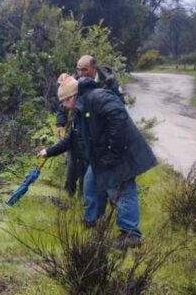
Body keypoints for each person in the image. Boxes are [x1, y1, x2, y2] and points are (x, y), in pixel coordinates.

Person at [40, 74, 157, 249]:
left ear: (72, 96)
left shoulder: (98, 97)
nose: (63, 106)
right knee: (90, 185)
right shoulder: (80, 109)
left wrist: (112, 149)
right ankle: (92, 222)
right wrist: (48, 151)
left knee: (122, 192)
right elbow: (72, 138)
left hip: (120, 155)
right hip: (101, 158)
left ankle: (130, 235)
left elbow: (118, 116)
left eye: (64, 101)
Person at [55, 55, 124, 196]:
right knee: (72, 162)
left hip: (98, 131)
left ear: (94, 68)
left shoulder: (108, 81)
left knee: (89, 165)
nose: (81, 73)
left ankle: (85, 197)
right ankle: (69, 195)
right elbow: (64, 102)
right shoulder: (75, 80)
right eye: (78, 69)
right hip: (78, 126)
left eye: (84, 70)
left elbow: (119, 103)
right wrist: (60, 123)